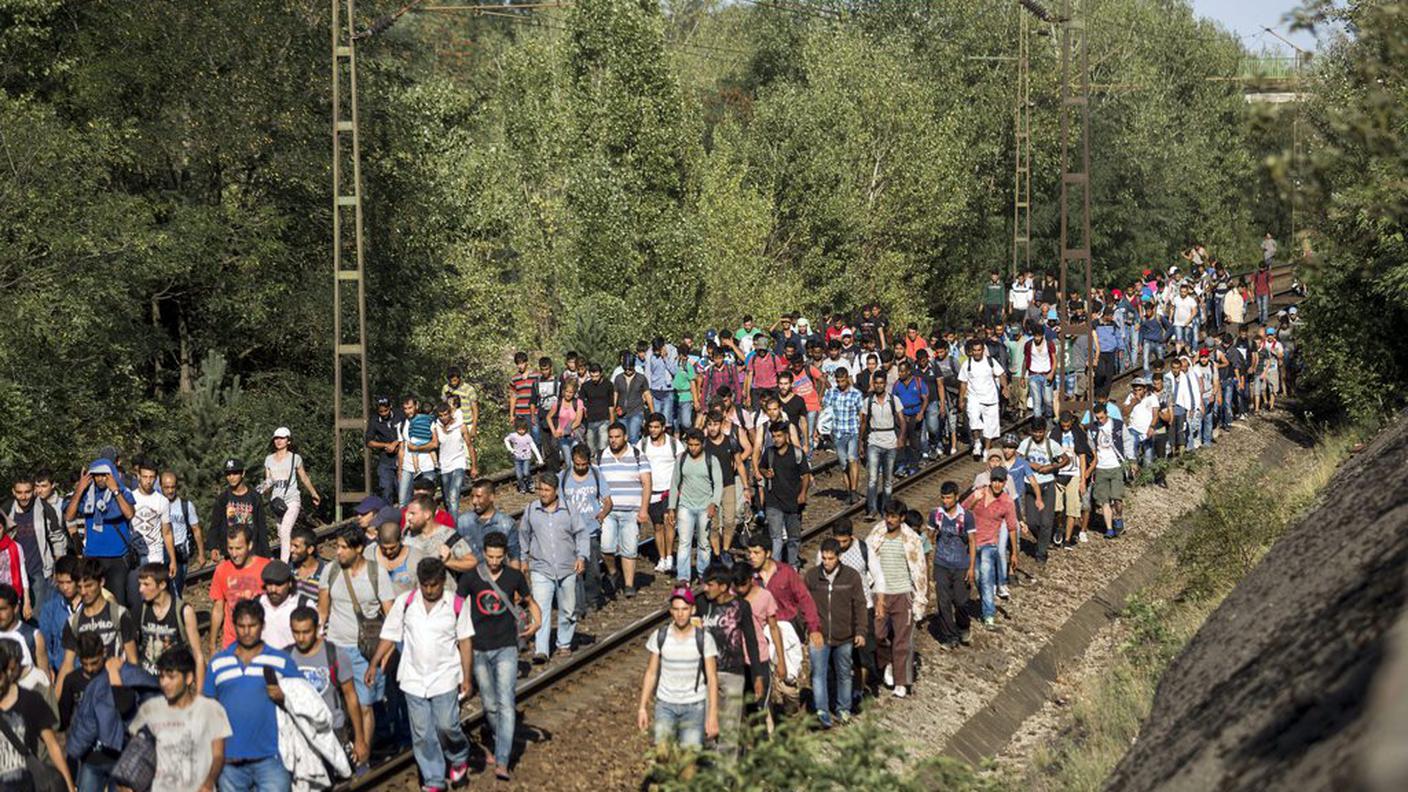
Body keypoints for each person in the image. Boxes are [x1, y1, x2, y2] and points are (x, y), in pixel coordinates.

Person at [368, 558, 475, 792]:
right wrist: (374, 663)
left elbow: (465, 641)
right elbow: (390, 634)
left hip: (445, 676)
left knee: (447, 725)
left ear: (443, 582)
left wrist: (467, 676)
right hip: (413, 678)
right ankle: (434, 779)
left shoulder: (456, 604)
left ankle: (458, 756)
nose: (429, 590)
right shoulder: (405, 603)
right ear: (419, 582)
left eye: (434, 585)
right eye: (425, 585)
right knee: (422, 733)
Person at [461, 531, 540, 781]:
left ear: (505, 555)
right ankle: (498, 739)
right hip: (478, 648)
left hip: (506, 646)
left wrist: (537, 623)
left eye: (499, 557)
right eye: (491, 556)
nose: (495, 562)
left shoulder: (514, 576)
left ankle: (503, 760)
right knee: (490, 704)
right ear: (484, 553)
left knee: (506, 703)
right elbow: (456, 606)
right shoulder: (472, 577)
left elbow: (529, 601)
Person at [203, 599, 302, 791]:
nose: (247, 631)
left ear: (262, 626)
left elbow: (305, 701)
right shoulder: (218, 664)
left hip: (272, 758)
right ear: (234, 626)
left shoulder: (281, 661)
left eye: (252, 625)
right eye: (241, 626)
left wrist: (284, 697)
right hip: (230, 761)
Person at [318, 527, 393, 755]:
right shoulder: (330, 571)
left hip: (365, 650)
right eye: (337, 546)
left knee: (365, 705)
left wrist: (387, 651)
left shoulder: (376, 573)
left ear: (358, 549)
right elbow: (323, 611)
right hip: (335, 646)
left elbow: (390, 614)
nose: (337, 552)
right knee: (338, 703)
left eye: (343, 547)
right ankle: (345, 747)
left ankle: (363, 753)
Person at [127, 646, 231, 792]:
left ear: (189, 678)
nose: (164, 683)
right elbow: (139, 752)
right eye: (162, 677)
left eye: (171, 677)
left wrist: (209, 781)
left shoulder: (212, 710)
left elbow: (218, 755)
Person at [637, 587, 720, 749]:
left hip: (694, 705)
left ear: (693, 610)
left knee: (688, 760)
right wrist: (642, 707)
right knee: (663, 755)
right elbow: (651, 673)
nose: (680, 614)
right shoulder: (660, 636)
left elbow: (712, 678)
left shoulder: (704, 639)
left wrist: (712, 714)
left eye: (684, 609)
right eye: (676, 609)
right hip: (665, 704)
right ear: (670, 611)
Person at [66, 648, 159, 792]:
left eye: (93, 663)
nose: (90, 669)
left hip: (98, 758)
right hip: (124, 757)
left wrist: (73, 751)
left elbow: (86, 727)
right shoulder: (140, 678)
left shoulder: (95, 686)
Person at [696, 565, 763, 758]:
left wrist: (757, 674)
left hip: (733, 673)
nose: (705, 588)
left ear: (723, 587)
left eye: (710, 585)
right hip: (706, 675)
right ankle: (710, 765)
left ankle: (726, 776)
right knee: (707, 725)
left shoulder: (741, 606)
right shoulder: (701, 604)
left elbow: (751, 641)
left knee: (730, 725)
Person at [519, 474, 589, 662]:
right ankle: (541, 649)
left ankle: (564, 643)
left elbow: (582, 534)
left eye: (547, 490)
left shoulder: (569, 510)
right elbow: (524, 535)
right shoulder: (531, 510)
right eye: (540, 489)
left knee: (568, 608)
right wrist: (523, 558)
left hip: (567, 567)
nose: (542, 494)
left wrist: (581, 556)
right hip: (540, 567)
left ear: (556, 491)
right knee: (540, 609)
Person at [56, 558, 138, 708]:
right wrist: (56, 708)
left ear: (101, 582)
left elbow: (133, 660)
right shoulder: (73, 622)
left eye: (88, 586)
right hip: (89, 696)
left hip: (117, 689)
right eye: (80, 587)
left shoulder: (119, 615)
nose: (84, 592)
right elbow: (67, 664)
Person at [864, 503, 926, 698]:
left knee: (902, 640)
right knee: (878, 634)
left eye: (893, 517)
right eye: (887, 516)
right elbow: (866, 558)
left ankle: (902, 682)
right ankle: (888, 661)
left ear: (902, 518)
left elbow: (920, 570)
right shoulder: (877, 534)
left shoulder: (911, 539)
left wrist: (920, 600)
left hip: (902, 594)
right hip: (880, 595)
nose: (890, 520)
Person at [803, 539, 866, 726]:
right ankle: (822, 710)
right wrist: (805, 629)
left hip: (844, 635)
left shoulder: (852, 577)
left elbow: (860, 605)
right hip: (819, 635)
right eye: (824, 558)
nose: (827, 562)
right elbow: (804, 604)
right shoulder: (812, 576)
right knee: (818, 673)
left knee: (844, 673)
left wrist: (861, 630)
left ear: (839, 557)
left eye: (831, 558)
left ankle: (843, 708)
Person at [0, 638, 74, 792]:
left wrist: (69, 785)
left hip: (30, 784)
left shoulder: (30, 700)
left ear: (7, 671)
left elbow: (52, 744)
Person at [65, 458, 137, 608]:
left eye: (104, 475)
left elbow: (129, 514)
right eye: (96, 475)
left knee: (117, 603)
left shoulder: (123, 492)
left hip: (117, 558)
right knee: (93, 601)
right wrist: (79, 490)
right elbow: (69, 516)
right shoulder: (87, 494)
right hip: (93, 557)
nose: (100, 479)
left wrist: (115, 490)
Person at [598, 423, 651, 599]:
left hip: (631, 511)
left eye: (617, 437)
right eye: (611, 437)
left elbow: (647, 483)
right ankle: (613, 571)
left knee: (629, 549)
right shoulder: (601, 456)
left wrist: (644, 509)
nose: (613, 440)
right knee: (606, 547)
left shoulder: (637, 455)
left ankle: (629, 585)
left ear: (625, 437)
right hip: (608, 512)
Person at [962, 468, 1020, 628]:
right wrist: (974, 500)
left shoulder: (1007, 502)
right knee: (979, 577)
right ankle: (985, 603)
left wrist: (1014, 553)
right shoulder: (978, 493)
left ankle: (988, 615)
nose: (997, 484)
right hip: (972, 541)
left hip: (989, 543)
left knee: (986, 577)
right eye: (994, 480)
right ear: (990, 480)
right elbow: (961, 512)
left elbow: (1012, 527)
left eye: (1000, 481)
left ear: (1004, 482)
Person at [134, 563, 203, 692]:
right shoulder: (141, 608)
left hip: (175, 684)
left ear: (162, 585)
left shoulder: (183, 611)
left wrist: (199, 695)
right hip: (148, 684)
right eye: (140, 584)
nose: (140, 589)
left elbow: (198, 654)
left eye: (146, 584)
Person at [667, 429, 723, 583]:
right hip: (686, 505)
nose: (693, 448)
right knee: (684, 542)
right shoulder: (682, 459)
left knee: (704, 543)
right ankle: (683, 577)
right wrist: (672, 507)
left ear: (703, 444)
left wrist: (714, 503)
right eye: (690, 445)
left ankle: (703, 574)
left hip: (705, 506)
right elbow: (674, 484)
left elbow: (718, 485)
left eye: (696, 445)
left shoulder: (712, 460)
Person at [3, 474, 63, 613]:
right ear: (13, 492)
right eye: (19, 492)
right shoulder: (7, 509)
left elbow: (57, 538)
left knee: (37, 614)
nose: (23, 497)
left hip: (39, 570)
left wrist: (58, 566)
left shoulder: (44, 508)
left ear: (34, 491)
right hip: (14, 571)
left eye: (27, 492)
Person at [262, 427, 322, 563]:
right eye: (276, 438)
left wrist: (314, 493)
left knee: (284, 530)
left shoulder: (295, 458)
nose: (279, 441)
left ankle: (284, 564)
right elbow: (268, 481)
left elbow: (304, 478)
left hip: (292, 499)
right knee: (281, 534)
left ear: (288, 441)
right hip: (277, 502)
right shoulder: (269, 460)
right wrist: (256, 492)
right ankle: (296, 556)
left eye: (282, 438)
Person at [207, 524, 269, 654]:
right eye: (230, 548)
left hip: (261, 641)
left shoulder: (265, 567)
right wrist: (212, 644)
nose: (234, 554)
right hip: (232, 644)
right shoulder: (222, 570)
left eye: (239, 548)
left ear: (250, 545)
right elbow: (218, 609)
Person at [929, 482, 976, 648]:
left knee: (961, 601)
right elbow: (931, 537)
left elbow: (972, 542)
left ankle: (963, 626)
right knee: (943, 601)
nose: (945, 501)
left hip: (961, 564)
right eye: (943, 498)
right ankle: (950, 636)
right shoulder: (936, 514)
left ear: (956, 497)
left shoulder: (967, 517)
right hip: (941, 563)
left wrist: (971, 567)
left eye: (949, 497)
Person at [758, 423, 811, 566]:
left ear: (786, 435)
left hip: (793, 501)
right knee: (776, 538)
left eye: (779, 436)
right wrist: (765, 473)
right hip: (773, 501)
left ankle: (792, 565)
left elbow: (806, 475)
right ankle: (776, 568)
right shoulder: (769, 453)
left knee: (793, 538)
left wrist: (803, 493)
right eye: (773, 436)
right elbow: (761, 467)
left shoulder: (797, 453)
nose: (776, 439)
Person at [702, 411, 749, 565]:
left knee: (729, 520)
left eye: (715, 424)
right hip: (710, 488)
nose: (712, 428)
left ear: (722, 425)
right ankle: (716, 554)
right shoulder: (704, 444)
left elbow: (740, 464)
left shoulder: (731, 442)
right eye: (709, 424)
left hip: (729, 484)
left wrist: (746, 487)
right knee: (714, 524)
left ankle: (726, 550)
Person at [207, 457, 270, 562]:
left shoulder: (254, 497)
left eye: (235, 473)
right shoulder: (223, 499)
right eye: (228, 474)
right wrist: (213, 547)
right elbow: (215, 524)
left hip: (252, 551)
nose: (231, 477)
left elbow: (261, 527)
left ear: (243, 473)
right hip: (232, 553)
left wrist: (267, 555)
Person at [859, 379, 905, 520]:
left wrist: (901, 438)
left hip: (890, 441)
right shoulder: (868, 402)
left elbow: (902, 420)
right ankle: (872, 509)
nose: (879, 385)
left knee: (887, 480)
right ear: (874, 384)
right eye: (876, 383)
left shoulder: (893, 400)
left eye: (881, 383)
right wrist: (860, 441)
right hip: (874, 440)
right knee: (873, 478)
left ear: (885, 384)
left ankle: (886, 509)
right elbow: (863, 422)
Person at [958, 339, 1008, 460]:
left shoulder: (991, 361)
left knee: (989, 426)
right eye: (974, 350)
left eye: (979, 350)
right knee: (973, 420)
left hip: (990, 397)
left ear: (983, 350)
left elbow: (1001, 374)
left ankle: (987, 449)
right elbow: (963, 383)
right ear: (971, 351)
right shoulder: (967, 364)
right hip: (974, 397)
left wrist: (1005, 388)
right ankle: (977, 443)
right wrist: (961, 399)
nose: (977, 353)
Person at [821, 367, 864, 504]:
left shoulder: (856, 394)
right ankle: (848, 491)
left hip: (852, 431)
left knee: (852, 460)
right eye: (838, 381)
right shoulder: (832, 393)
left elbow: (861, 413)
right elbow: (825, 410)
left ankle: (854, 490)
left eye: (843, 381)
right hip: (838, 433)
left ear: (847, 378)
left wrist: (861, 433)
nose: (840, 384)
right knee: (843, 464)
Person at [160, 471, 203, 596]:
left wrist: (201, 554)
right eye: (166, 487)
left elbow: (196, 529)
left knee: (176, 590)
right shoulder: (158, 504)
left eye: (173, 487)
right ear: (161, 486)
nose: (170, 490)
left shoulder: (186, 506)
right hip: (161, 552)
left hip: (179, 553)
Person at [1088, 405, 1128, 539]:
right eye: (1098, 418)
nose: (1100, 420)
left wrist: (1131, 459)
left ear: (1107, 414)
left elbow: (1127, 441)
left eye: (1102, 417)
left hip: (1116, 465)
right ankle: (1109, 528)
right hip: (1101, 467)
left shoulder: (1118, 425)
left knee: (1117, 498)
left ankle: (1118, 517)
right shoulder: (1092, 429)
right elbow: (1092, 447)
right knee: (1104, 500)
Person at [40, 555, 80, 676]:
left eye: (69, 582)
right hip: (60, 671)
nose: (65, 587)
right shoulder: (49, 609)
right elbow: (45, 644)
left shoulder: (91, 606)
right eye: (61, 583)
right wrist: (49, 667)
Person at [367, 395, 406, 505]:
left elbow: (408, 432)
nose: (384, 413)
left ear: (390, 407)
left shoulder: (400, 415)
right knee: (386, 491)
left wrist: (396, 442)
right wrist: (386, 445)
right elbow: (369, 441)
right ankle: (387, 517)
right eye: (381, 411)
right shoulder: (374, 420)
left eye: (386, 410)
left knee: (402, 490)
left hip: (402, 458)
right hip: (386, 460)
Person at [612, 354, 653, 444]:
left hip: (636, 411)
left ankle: (635, 455)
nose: (627, 370)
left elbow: (647, 395)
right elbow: (615, 394)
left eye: (630, 368)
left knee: (633, 436)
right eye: (625, 368)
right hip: (621, 413)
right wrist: (613, 409)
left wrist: (652, 412)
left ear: (633, 366)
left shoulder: (641, 378)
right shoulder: (618, 378)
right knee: (623, 437)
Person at [504, 418, 544, 494]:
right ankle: (522, 487)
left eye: (523, 429)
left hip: (526, 458)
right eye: (519, 429)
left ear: (526, 429)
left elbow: (534, 448)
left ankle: (530, 482)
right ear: (516, 429)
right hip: (517, 458)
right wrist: (511, 449)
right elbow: (506, 440)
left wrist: (540, 459)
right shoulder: (513, 436)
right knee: (519, 476)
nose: (521, 431)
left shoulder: (528, 437)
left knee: (526, 472)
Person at [289, 525, 328, 602]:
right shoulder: (289, 570)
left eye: (296, 546)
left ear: (310, 549)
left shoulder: (325, 574)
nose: (291, 550)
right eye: (291, 545)